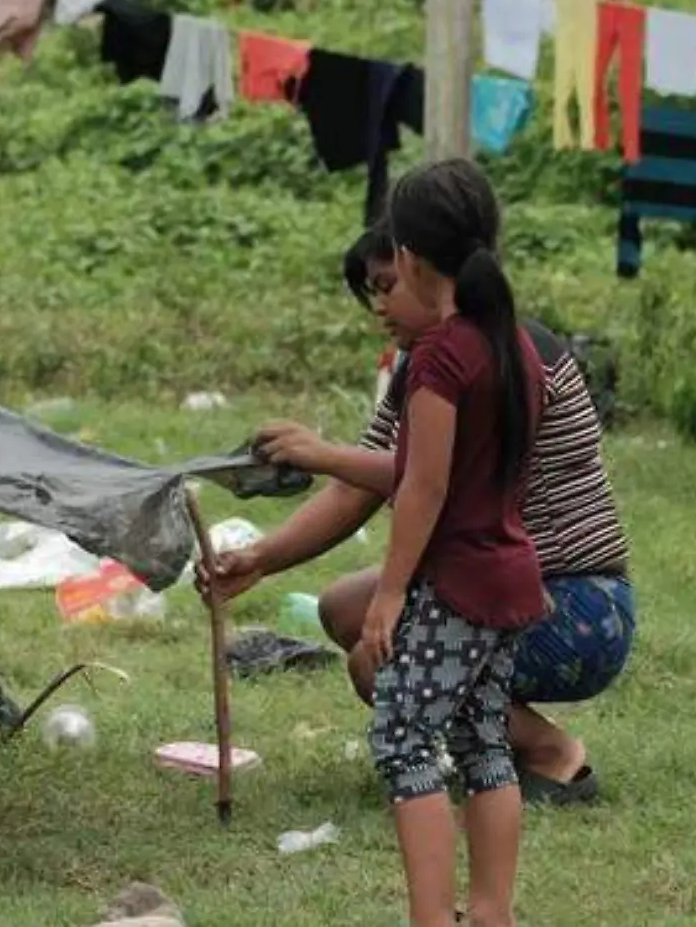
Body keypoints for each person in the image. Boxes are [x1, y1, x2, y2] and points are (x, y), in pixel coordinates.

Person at [212, 159, 549, 927]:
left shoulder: (439, 355)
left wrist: (391, 592)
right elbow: (443, 471)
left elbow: (421, 484)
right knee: (483, 740)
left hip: (458, 585)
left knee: (402, 739)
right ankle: (490, 914)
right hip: (510, 579)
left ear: (408, 258)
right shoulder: (513, 345)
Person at [211, 218, 633, 810]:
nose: (379, 307)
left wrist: (324, 454)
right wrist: (261, 558)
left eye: (389, 285)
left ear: (426, 271)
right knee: (342, 608)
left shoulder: (511, 358)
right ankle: (485, 749)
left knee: (378, 664)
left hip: (570, 603)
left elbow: (444, 478)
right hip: (498, 584)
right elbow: (359, 485)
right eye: (371, 293)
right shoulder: (429, 361)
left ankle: (550, 753)